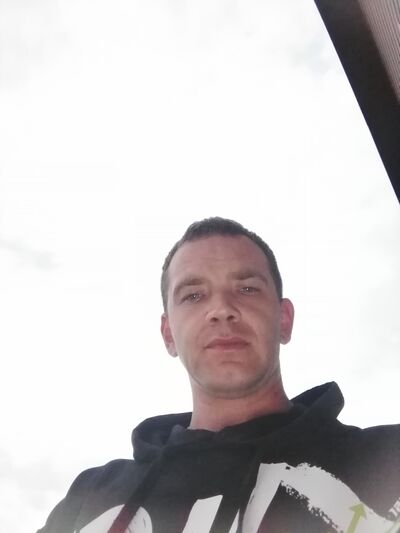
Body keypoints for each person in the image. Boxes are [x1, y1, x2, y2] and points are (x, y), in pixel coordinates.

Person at [38, 217, 400, 533]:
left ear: (284, 320)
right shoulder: (88, 499)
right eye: (194, 296)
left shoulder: (387, 463)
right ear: (168, 334)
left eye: (247, 289)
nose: (222, 309)